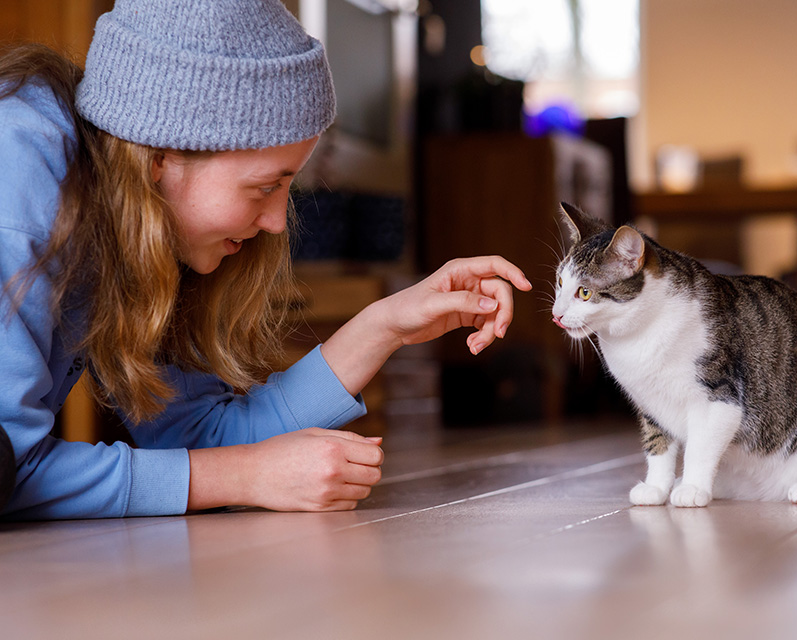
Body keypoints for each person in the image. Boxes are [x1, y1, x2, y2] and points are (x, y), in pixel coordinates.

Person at [0, 0, 531, 520]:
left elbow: (203, 441)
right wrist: (241, 476)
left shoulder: (144, 221)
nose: (278, 222)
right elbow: (8, 467)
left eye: (288, 186)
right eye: (263, 187)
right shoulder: (18, 175)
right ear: (160, 157)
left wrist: (383, 326)